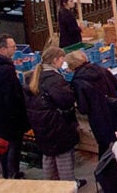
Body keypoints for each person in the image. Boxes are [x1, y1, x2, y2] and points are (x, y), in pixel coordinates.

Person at [24, 46, 85, 189]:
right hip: (57, 124)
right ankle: (68, 187)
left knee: (49, 157)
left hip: (41, 124)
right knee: (64, 158)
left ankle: (50, 187)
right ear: (56, 60)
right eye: (62, 59)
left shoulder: (33, 76)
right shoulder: (54, 79)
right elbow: (66, 100)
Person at [0, 33, 30, 179]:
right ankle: (12, 176)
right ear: (2, 49)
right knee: (13, 146)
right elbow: (12, 95)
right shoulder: (4, 69)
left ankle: (10, 172)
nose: (15, 49)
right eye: (13, 46)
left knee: (5, 146)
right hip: (10, 117)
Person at [66, 50, 117, 157]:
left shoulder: (77, 82)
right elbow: (116, 85)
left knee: (104, 147)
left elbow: (83, 108)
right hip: (115, 112)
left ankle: (107, 171)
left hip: (98, 118)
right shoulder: (102, 69)